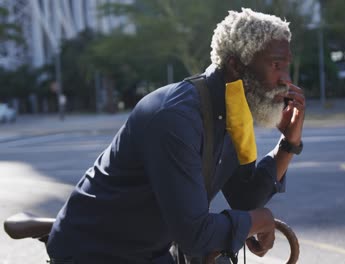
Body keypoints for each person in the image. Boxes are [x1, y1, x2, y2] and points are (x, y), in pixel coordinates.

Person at [46, 8, 305, 264]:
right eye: (275, 65)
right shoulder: (177, 118)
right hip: (95, 252)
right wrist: (258, 220)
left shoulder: (234, 112)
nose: (286, 79)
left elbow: (245, 198)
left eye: (286, 66)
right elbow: (194, 233)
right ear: (236, 66)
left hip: (147, 251)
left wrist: (288, 144)